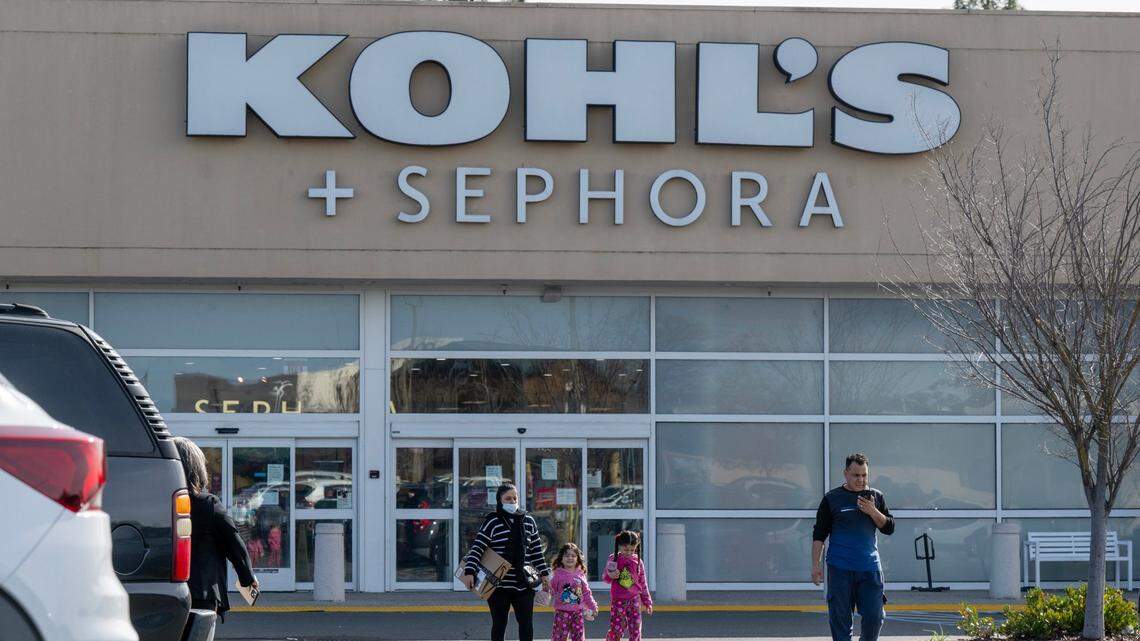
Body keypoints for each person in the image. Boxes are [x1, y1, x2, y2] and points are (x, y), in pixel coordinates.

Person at [172, 437, 259, 623]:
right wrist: (247, 578)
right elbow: (234, 543)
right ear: (197, 468)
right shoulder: (208, 504)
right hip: (201, 592)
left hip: (165, 592)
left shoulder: (159, 503)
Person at [811, 452, 896, 641]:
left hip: (870, 568)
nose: (861, 480)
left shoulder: (876, 497)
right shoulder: (832, 498)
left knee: (875, 617)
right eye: (856, 475)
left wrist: (873, 512)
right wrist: (816, 565)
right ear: (846, 473)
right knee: (840, 621)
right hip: (840, 568)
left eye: (864, 475)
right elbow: (819, 534)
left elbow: (889, 528)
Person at [460, 482, 552, 641]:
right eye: (508, 498)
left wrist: (544, 575)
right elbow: (478, 547)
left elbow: (536, 552)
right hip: (498, 585)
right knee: (499, 624)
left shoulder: (528, 521)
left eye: (514, 498)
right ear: (500, 501)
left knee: (526, 624)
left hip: (524, 584)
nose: (512, 501)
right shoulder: (493, 521)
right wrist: (469, 571)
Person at [603, 530, 652, 641]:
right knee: (617, 630)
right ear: (619, 546)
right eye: (626, 549)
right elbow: (605, 578)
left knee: (635, 629)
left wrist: (647, 601)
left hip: (634, 600)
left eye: (632, 549)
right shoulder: (614, 558)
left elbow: (643, 583)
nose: (629, 552)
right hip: (618, 600)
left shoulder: (638, 561)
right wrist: (611, 575)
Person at [547, 542, 598, 641]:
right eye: (567, 556)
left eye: (573, 556)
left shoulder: (580, 574)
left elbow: (586, 593)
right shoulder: (558, 575)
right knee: (559, 638)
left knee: (579, 638)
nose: (570, 558)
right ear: (561, 558)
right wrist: (545, 592)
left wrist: (593, 606)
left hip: (577, 613)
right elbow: (551, 590)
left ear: (577, 558)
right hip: (561, 613)